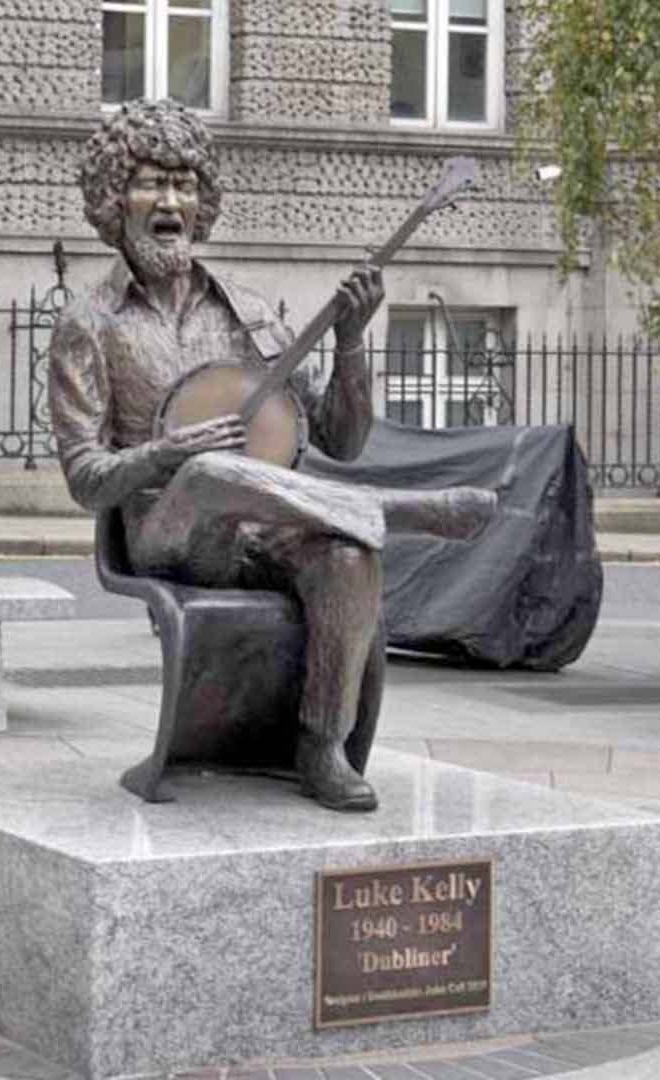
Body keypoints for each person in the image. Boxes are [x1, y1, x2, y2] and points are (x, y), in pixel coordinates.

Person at [49, 100, 497, 812]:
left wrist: (350, 341)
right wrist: (162, 454)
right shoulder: (90, 324)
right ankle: (396, 509)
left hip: (262, 528)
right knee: (206, 471)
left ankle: (321, 748)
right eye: (150, 183)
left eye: (186, 184)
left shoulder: (247, 313)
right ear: (114, 198)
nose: (171, 201)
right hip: (167, 535)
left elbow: (341, 440)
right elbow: (84, 477)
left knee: (349, 557)